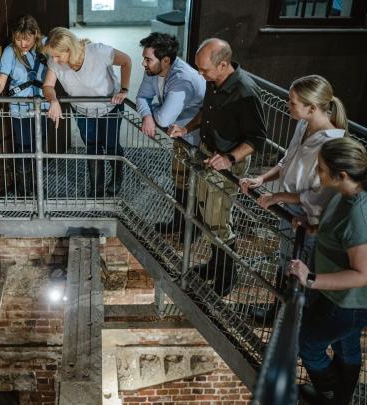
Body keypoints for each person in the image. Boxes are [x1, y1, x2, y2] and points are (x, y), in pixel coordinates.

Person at [239, 75, 347, 321]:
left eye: (292, 102)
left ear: (312, 107)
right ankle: (278, 312)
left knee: (302, 266)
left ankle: (297, 322)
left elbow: (319, 195)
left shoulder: (332, 144)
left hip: (311, 219)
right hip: (291, 209)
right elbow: (286, 160)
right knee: (286, 259)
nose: (288, 105)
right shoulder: (303, 124)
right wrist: (263, 179)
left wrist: (278, 196)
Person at [169, 38, 267, 297]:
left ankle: (226, 274)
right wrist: (187, 128)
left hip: (226, 166)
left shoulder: (246, 92)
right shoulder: (214, 81)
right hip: (207, 156)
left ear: (223, 65)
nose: (201, 75)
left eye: (205, 70)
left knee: (219, 222)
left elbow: (257, 139)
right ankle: (215, 265)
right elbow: (206, 111)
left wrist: (230, 159)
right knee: (207, 213)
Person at [288, 137, 367, 405]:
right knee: (346, 344)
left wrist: (310, 278)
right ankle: (341, 399)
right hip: (339, 299)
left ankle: (331, 396)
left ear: (341, 174)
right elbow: (338, 230)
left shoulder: (358, 213)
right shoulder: (342, 194)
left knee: (307, 344)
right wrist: (313, 228)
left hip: (348, 302)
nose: (316, 173)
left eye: (320, 168)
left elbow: (361, 274)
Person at [42, 27, 132, 198]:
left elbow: (126, 61)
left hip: (109, 108)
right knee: (92, 147)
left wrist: (124, 90)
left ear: (70, 49)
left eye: (57, 56)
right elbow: (48, 86)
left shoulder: (99, 52)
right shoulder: (55, 61)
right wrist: (53, 100)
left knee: (111, 145)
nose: (54, 60)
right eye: (52, 56)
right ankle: (96, 189)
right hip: (82, 111)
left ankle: (117, 176)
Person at [135, 32, 205, 238]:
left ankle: (193, 231)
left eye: (148, 59)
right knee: (180, 180)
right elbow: (141, 97)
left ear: (166, 60)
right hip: (180, 136)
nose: (143, 64)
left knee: (195, 185)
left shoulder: (182, 79)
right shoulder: (153, 70)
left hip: (197, 139)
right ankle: (178, 224)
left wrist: (153, 109)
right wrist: (148, 115)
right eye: (144, 58)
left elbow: (164, 120)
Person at [0, 15, 47, 197]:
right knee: (24, 148)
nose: (22, 43)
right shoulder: (10, 52)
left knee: (40, 148)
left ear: (35, 34)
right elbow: (1, 82)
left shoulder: (46, 46)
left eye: (26, 39)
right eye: (18, 38)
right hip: (20, 109)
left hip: (43, 108)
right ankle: (24, 190)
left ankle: (38, 187)